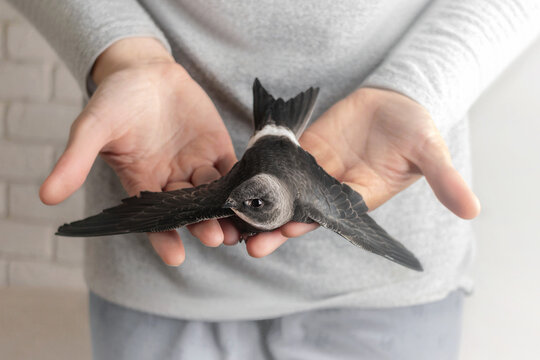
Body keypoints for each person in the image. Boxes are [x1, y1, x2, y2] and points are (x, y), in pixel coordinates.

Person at [9, 0, 539, 359]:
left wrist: (420, 87)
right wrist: (122, 52)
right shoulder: (229, 195)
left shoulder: (317, 199)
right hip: (158, 289)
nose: (238, 206)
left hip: (387, 299)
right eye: (246, 204)